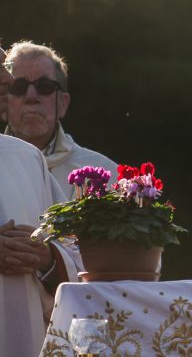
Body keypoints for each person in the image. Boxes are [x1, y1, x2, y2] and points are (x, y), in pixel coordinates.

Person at [1, 45, 82, 357]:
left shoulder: (26, 160)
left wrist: (47, 259)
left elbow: (79, 255)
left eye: (44, 87)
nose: (6, 79)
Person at [3, 41, 116, 197]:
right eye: (19, 87)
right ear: (3, 103)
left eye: (44, 86)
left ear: (63, 103)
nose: (31, 96)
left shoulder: (108, 177)